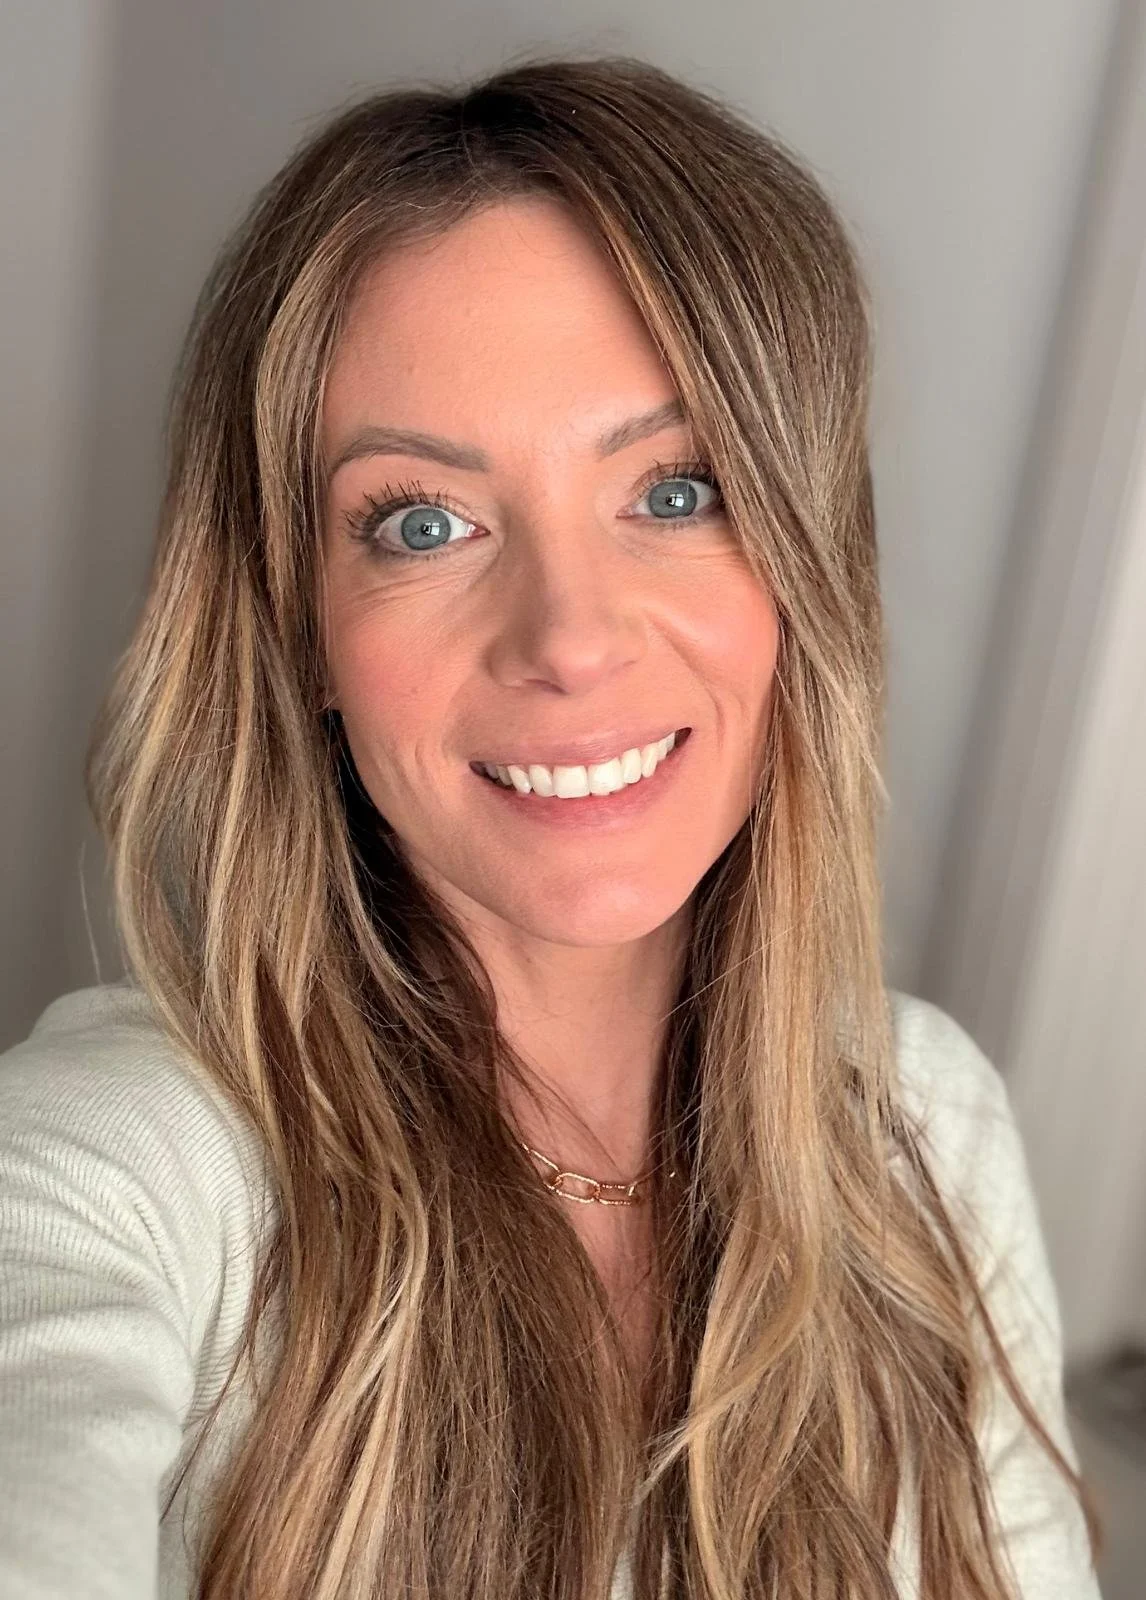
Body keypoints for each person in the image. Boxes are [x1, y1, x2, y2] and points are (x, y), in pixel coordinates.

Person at [0, 56, 1103, 1600]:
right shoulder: (115, 1165)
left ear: (800, 562)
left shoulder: (923, 1128)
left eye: (675, 490)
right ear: (299, 627)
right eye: (421, 521)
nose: (568, 640)